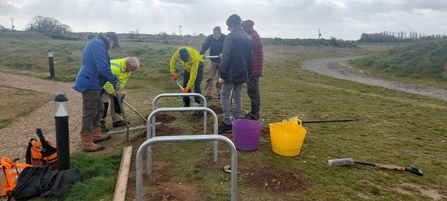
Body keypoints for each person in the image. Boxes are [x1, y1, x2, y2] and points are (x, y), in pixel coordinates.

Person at [73, 32, 119, 152]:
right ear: (110, 39)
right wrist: (113, 78)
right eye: (114, 44)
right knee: (90, 111)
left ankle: (96, 134)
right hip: (90, 81)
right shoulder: (98, 44)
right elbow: (102, 67)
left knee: (99, 108)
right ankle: (87, 142)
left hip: (95, 83)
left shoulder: (99, 44)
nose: (112, 47)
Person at [218, 14, 253, 134]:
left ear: (232, 24)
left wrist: (222, 74)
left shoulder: (230, 37)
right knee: (238, 97)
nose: (228, 29)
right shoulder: (248, 37)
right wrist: (248, 74)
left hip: (230, 73)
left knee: (224, 95)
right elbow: (250, 58)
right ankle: (237, 120)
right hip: (243, 73)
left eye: (228, 26)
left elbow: (226, 56)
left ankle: (227, 122)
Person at [100, 57, 140, 132]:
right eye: (133, 69)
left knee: (119, 98)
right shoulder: (114, 67)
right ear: (127, 65)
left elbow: (123, 80)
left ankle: (117, 120)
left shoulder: (128, 69)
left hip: (112, 85)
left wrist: (118, 90)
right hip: (101, 84)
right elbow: (106, 83)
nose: (133, 71)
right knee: (103, 103)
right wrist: (113, 92)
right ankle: (100, 122)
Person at [241, 20, 264, 120]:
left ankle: (254, 113)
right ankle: (255, 111)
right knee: (255, 90)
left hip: (253, 69)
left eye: (244, 28)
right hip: (255, 68)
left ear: (248, 28)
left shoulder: (252, 37)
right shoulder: (254, 35)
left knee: (252, 90)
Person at [199, 26, 226, 100]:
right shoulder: (210, 38)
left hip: (222, 60)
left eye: (218, 34)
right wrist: (202, 53)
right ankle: (208, 93)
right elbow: (205, 45)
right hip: (213, 60)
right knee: (210, 77)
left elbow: (227, 47)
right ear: (213, 33)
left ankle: (220, 93)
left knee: (220, 78)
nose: (216, 36)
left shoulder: (224, 38)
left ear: (220, 33)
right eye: (215, 34)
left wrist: (223, 53)